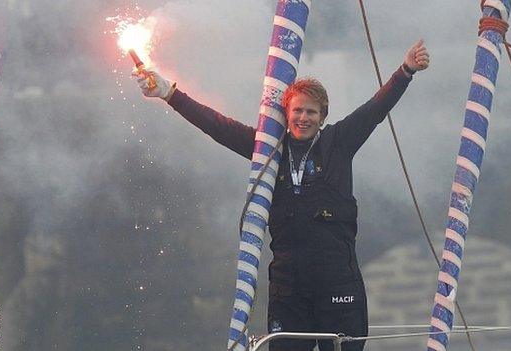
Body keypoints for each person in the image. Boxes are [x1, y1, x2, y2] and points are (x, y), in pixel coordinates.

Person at [135, 39, 429, 351]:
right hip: (289, 287)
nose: (304, 118)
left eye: (311, 112)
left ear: (323, 116)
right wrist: (169, 93)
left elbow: (375, 109)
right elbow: (217, 126)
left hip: (338, 283)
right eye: (297, 110)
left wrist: (406, 70)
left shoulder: (339, 142)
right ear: (286, 113)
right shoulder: (268, 150)